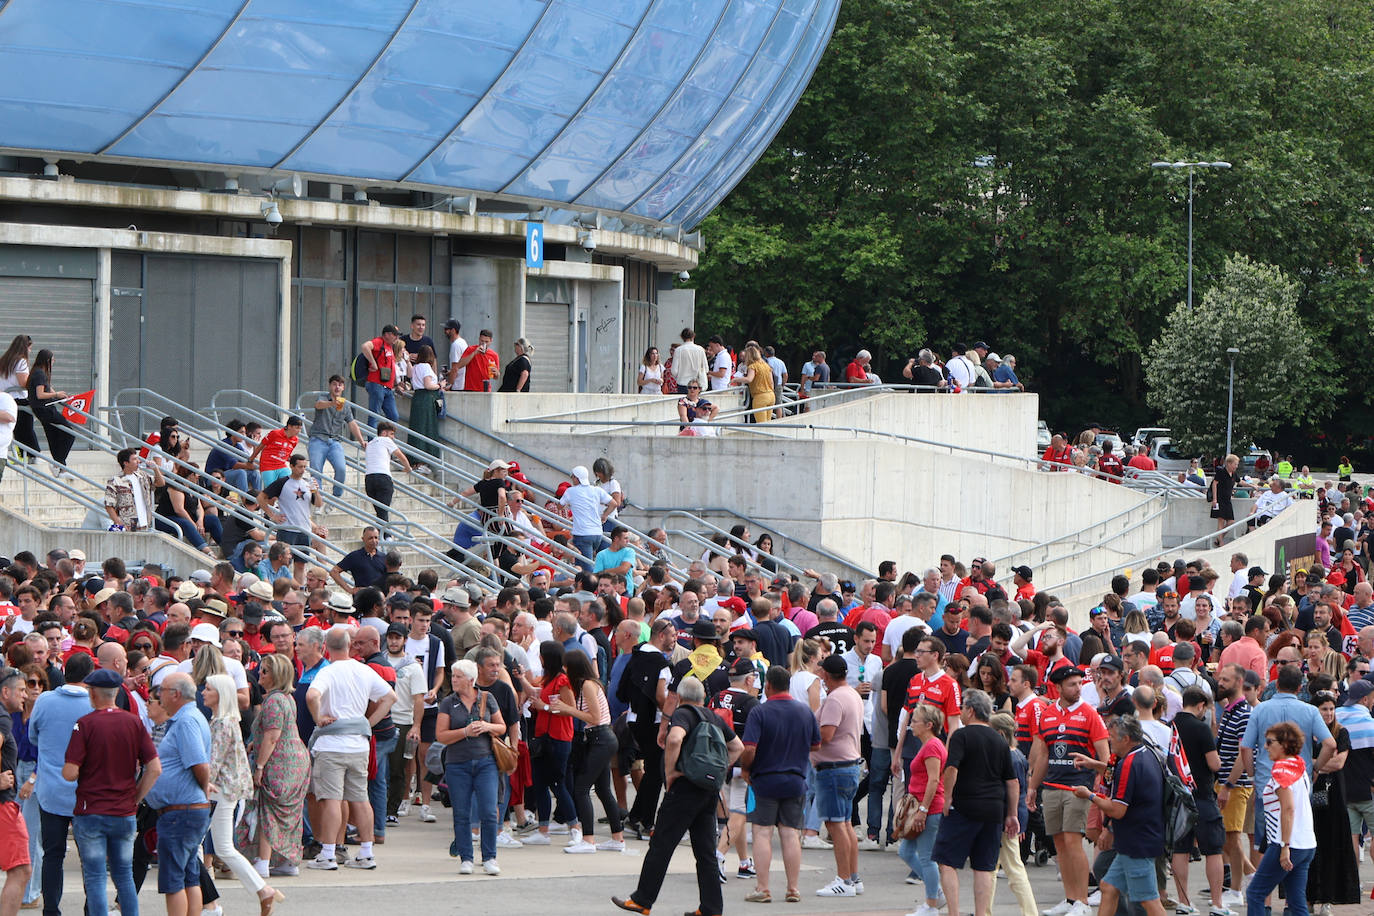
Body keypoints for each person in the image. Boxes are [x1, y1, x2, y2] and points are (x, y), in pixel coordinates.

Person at [612, 676, 744, 916]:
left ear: (680, 698)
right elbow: (738, 747)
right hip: (708, 791)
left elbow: (674, 739)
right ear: (703, 698)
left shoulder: (683, 714)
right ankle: (711, 907)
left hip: (684, 788)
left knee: (661, 844)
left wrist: (671, 772)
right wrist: (715, 769)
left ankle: (642, 900)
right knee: (705, 853)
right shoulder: (714, 717)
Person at [61, 668, 159, 916]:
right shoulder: (134, 722)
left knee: (94, 877)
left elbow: (70, 772)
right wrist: (136, 797)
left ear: (93, 694)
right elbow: (155, 768)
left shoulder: (84, 725)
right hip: (123, 810)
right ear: (116, 692)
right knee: (124, 875)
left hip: (91, 810)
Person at [304, 626, 397, 870]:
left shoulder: (328, 672)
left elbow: (312, 696)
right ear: (350, 645)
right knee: (360, 798)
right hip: (358, 743)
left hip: (331, 744)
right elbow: (390, 697)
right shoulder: (363, 670)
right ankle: (366, 852)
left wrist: (318, 718)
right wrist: (369, 723)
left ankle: (328, 853)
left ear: (325, 648)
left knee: (332, 799)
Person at [1027, 666, 1108, 916]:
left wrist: (1098, 782)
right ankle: (1071, 898)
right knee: (1060, 845)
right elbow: (1042, 755)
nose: (1077, 688)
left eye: (1079, 683)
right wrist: (1032, 787)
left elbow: (1104, 756)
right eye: (1071, 684)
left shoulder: (1089, 713)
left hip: (1078, 789)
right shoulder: (1048, 714)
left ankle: (1082, 901)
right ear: (1058, 688)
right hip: (1051, 787)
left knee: (1073, 843)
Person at [200, 674, 285, 914]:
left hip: (221, 791)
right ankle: (213, 899)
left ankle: (210, 900)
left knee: (215, 846)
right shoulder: (224, 720)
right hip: (225, 790)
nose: (203, 692)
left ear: (220, 694)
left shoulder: (222, 723)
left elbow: (213, 762)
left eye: (208, 689)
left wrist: (201, 785)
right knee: (215, 846)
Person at [932, 689, 1019, 916]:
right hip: (993, 809)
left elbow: (951, 768)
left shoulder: (962, 735)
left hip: (964, 807)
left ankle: (954, 912)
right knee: (984, 866)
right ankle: (981, 913)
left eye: (962, 708)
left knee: (946, 861)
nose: (960, 712)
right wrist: (1012, 813)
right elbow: (1012, 781)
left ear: (970, 711)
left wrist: (947, 796)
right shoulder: (999, 741)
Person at [741, 664, 820, 904]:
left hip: (765, 779)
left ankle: (763, 888)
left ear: (768, 686)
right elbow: (816, 745)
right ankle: (793, 888)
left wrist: (746, 768)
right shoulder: (804, 711)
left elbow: (749, 747)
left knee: (762, 833)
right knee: (790, 834)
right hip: (796, 779)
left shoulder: (760, 712)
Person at [1075, 715, 1167, 916]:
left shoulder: (1129, 763)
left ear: (1126, 739)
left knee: (1149, 901)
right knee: (1108, 887)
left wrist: (1089, 795)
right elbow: (1114, 774)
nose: (1109, 740)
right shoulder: (1146, 753)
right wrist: (1095, 764)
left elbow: (1117, 809)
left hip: (1136, 843)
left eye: (1113, 737)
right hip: (1136, 840)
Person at [29, 653, 93, 916]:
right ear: (89, 676)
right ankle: (92, 908)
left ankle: (51, 909)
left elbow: (33, 736)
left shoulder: (44, 700)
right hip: (85, 792)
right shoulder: (93, 703)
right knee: (90, 858)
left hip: (51, 790)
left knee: (52, 854)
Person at [145, 672, 213, 916]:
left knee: (174, 878)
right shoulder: (188, 718)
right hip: (184, 809)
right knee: (188, 876)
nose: (157, 695)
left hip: (180, 810)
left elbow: (199, 764)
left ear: (175, 694)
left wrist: (202, 789)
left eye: (162, 690)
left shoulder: (185, 721)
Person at [236, 652, 309, 878]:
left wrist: (259, 766)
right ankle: (288, 860)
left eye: (265, 671)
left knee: (267, 811)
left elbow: (272, 737)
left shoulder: (275, 701)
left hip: (280, 763)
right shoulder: (286, 698)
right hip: (296, 760)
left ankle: (264, 861)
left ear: (276, 675)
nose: (260, 673)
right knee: (289, 814)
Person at [435, 658, 504, 875]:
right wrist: (464, 732)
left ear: (471, 680)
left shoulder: (486, 698)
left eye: (458, 676)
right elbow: (441, 735)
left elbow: (501, 726)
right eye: (453, 676)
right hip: (457, 763)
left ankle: (490, 857)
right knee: (462, 812)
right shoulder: (448, 702)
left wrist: (485, 726)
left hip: (486, 762)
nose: (454, 680)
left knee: (489, 811)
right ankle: (466, 857)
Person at [552, 650, 623, 853]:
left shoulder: (588, 685)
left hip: (600, 737)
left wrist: (566, 708)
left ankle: (588, 839)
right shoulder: (587, 685)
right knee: (602, 789)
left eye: (566, 666)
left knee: (581, 788)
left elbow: (593, 717)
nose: (564, 670)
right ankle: (617, 839)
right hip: (601, 738)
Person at [1246, 722, 1317, 916]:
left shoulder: (1281, 771)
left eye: (1270, 742)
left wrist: (1285, 846)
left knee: (1255, 893)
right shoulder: (1299, 765)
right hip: (1306, 843)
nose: (1265, 746)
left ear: (1284, 744)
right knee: (1296, 901)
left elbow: (1288, 808)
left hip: (1287, 843)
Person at [811, 654, 866, 897]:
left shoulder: (835, 699)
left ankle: (844, 880)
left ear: (827, 674)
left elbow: (826, 736)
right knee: (844, 824)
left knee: (836, 825)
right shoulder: (851, 693)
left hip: (834, 768)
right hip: (848, 765)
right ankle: (852, 878)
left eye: (822, 671)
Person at [1305, 689, 1359, 912]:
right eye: (1324, 709)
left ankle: (1327, 899)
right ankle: (1307, 899)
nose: (1328, 713)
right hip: (1310, 795)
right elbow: (1304, 759)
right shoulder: (1308, 733)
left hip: (1334, 796)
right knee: (1309, 847)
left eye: (1331, 709)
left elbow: (1338, 764)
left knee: (1331, 847)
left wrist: (1316, 764)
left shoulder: (1341, 732)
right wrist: (1318, 763)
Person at [523, 640, 578, 846]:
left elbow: (570, 708)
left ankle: (575, 827)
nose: (539, 657)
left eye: (541, 654)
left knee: (557, 783)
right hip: (543, 737)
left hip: (558, 737)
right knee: (540, 784)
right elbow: (533, 688)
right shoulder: (546, 679)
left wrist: (544, 707)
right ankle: (543, 829)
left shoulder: (562, 680)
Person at [898, 703, 947, 916]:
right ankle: (934, 892)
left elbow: (934, 780)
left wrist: (923, 810)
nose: (911, 725)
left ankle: (932, 904)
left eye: (915, 721)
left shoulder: (932, 746)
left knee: (927, 857)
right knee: (906, 851)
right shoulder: (928, 745)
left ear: (929, 725)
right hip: (920, 806)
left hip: (929, 808)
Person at [0, 666, 34, 916]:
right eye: (21, 690)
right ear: (5, 692)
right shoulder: (2, 717)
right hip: (3, 805)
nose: (26, 695)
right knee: (21, 870)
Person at [307, 375, 367, 497]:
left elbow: (352, 423)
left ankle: (336, 497)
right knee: (315, 471)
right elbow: (318, 404)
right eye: (334, 384)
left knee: (341, 469)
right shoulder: (324, 397)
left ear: (343, 388)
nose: (337, 387)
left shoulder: (345, 405)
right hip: (318, 439)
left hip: (334, 441)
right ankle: (317, 498)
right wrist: (332, 403)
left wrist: (362, 441)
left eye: (340, 385)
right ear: (330, 386)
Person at [24, 349, 75, 477]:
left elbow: (48, 390)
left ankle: (60, 468)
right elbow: (40, 394)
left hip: (43, 409)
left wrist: (61, 397)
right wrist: (56, 394)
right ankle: (58, 464)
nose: (54, 362)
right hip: (45, 409)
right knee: (69, 433)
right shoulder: (40, 374)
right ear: (47, 360)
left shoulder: (38, 373)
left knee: (53, 436)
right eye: (52, 360)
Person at [559, 466, 614, 571]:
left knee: (586, 568)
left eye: (573, 477)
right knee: (581, 566)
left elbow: (560, 505)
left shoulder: (570, 491)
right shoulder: (596, 490)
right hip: (597, 533)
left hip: (582, 533)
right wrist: (605, 515)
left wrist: (571, 505)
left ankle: (591, 586)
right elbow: (613, 504)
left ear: (576, 478)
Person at [363, 422, 412, 525]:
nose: (393, 437)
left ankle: (383, 535)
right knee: (383, 511)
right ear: (384, 433)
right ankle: (387, 536)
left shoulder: (370, 443)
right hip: (383, 478)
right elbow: (400, 455)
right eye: (392, 434)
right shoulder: (386, 440)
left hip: (369, 479)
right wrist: (408, 468)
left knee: (380, 512)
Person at [0, 334, 37, 462]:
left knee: (15, 429)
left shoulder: (4, 360)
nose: (30, 351)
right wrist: (35, 383)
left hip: (5, 399)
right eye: (30, 348)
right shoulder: (21, 361)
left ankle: (21, 455)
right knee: (26, 428)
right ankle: (33, 455)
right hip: (18, 399)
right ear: (25, 347)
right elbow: (23, 382)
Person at [406, 345, 443, 470]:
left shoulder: (416, 366)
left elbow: (409, 375)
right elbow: (428, 385)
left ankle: (414, 459)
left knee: (417, 427)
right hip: (426, 399)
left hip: (417, 398)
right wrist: (439, 385)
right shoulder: (426, 367)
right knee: (426, 427)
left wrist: (407, 361)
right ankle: (423, 460)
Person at [361, 324, 401, 421]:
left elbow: (391, 367)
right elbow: (365, 346)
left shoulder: (389, 346)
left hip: (388, 387)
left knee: (394, 416)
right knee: (375, 415)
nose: (397, 337)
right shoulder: (379, 342)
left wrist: (396, 384)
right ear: (387, 335)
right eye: (394, 334)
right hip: (377, 384)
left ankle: (387, 435)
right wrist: (373, 363)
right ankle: (373, 436)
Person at [730, 344, 775, 423]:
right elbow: (771, 383)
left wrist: (735, 379)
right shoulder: (766, 365)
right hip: (771, 395)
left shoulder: (752, 366)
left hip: (760, 396)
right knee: (768, 422)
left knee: (761, 424)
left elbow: (749, 379)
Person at [1211, 453, 1240, 543]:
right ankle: (1221, 542)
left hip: (1227, 500)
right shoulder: (1221, 472)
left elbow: (1240, 481)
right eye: (1235, 464)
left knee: (1231, 521)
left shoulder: (1234, 474)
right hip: (1220, 499)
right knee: (1221, 521)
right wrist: (1214, 499)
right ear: (1229, 463)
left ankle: (1219, 539)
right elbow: (1214, 484)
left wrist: (1252, 485)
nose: (1236, 466)